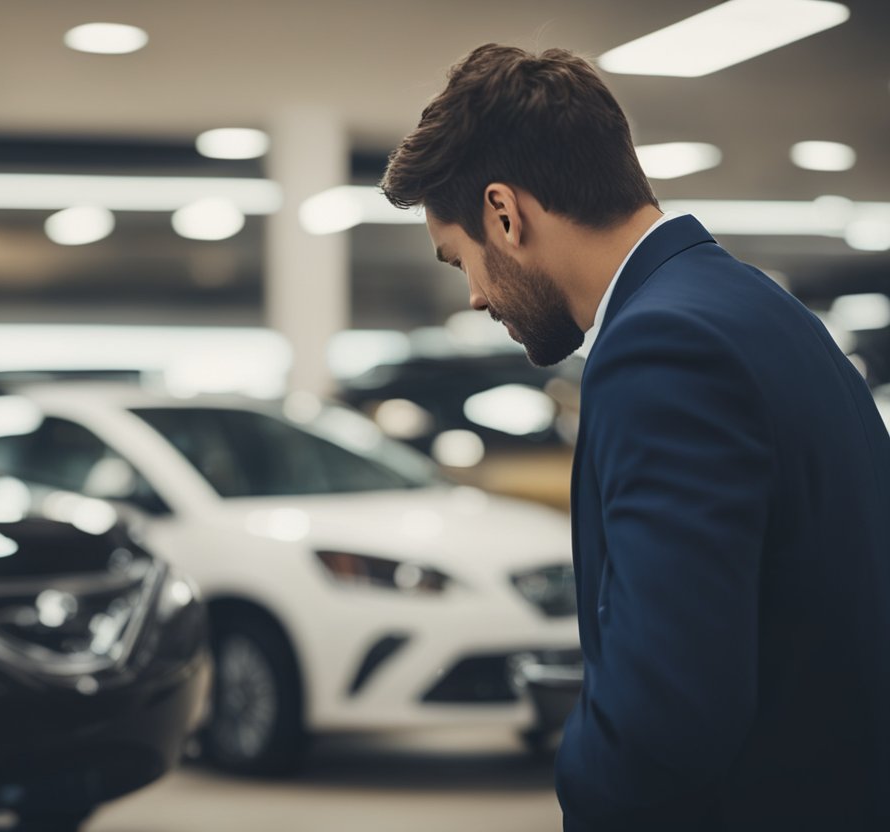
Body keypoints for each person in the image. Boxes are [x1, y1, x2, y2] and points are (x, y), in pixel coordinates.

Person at [380, 44, 890, 831]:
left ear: (504, 215)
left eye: (460, 261)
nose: (477, 297)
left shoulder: (660, 351)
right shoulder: (758, 309)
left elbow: (669, 713)